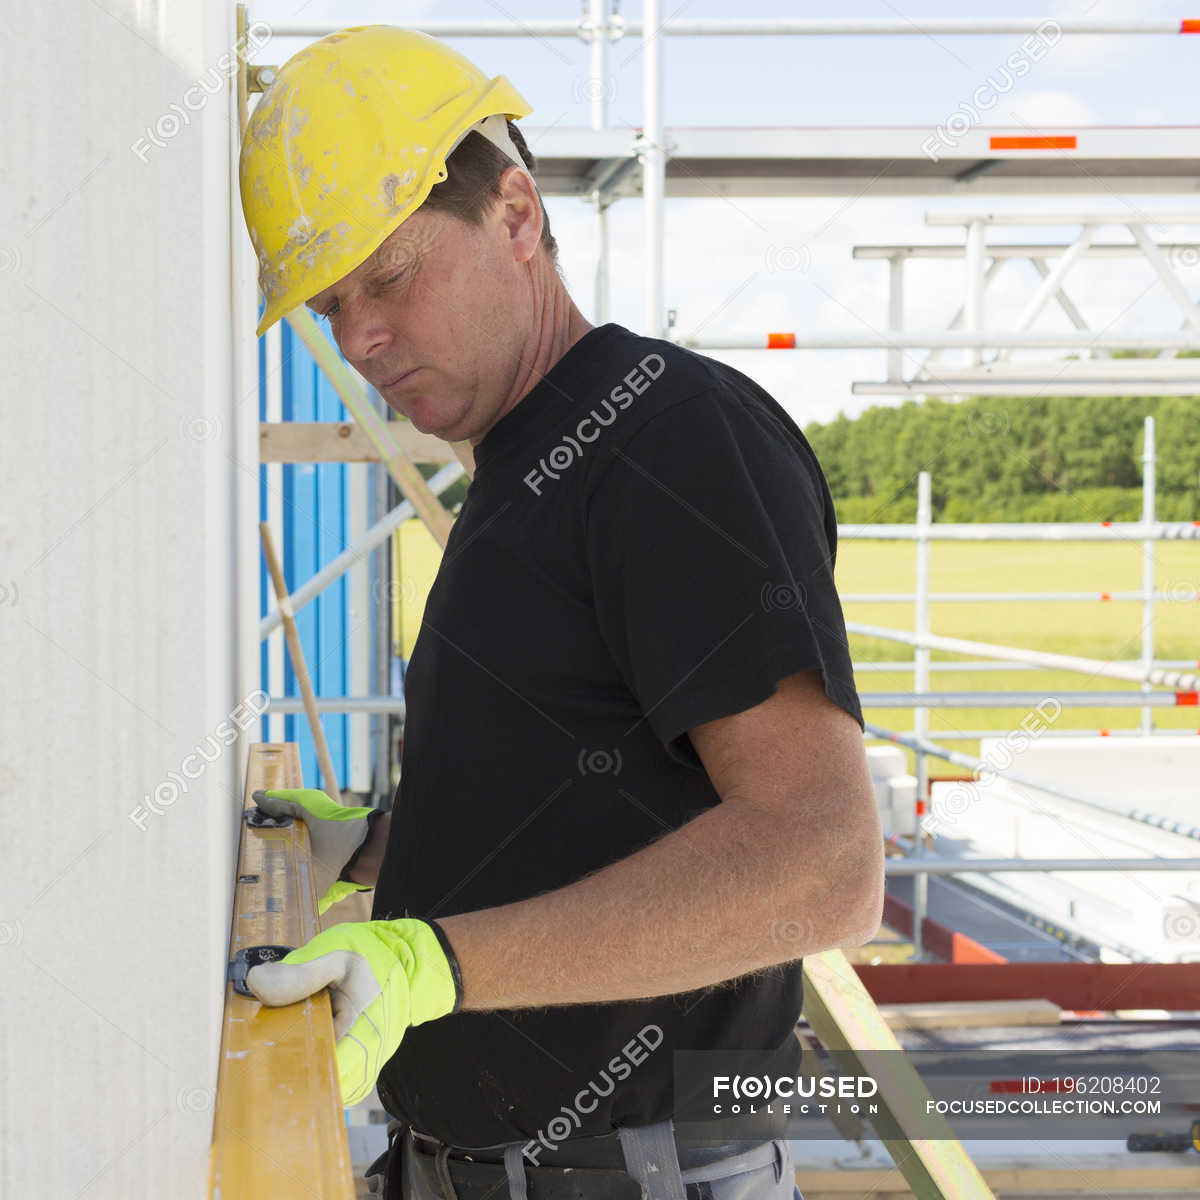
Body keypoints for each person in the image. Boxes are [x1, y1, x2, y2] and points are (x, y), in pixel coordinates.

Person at [237, 25, 884, 1200]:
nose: (361, 336)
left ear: (519, 216)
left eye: (389, 276)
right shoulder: (518, 471)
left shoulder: (670, 440)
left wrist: (431, 963)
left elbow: (822, 861)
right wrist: (382, 848)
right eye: (331, 305)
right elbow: (587, 793)